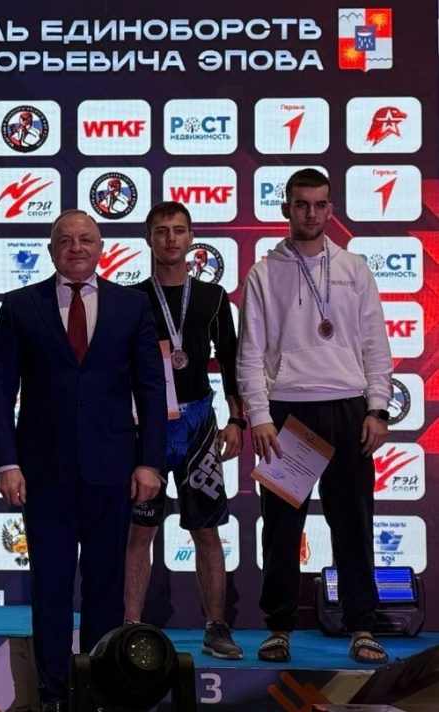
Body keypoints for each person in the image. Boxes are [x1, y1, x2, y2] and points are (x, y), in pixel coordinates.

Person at [0, 209, 167, 712]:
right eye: (65, 240)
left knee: (107, 586)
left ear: (101, 247)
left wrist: (150, 462)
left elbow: (152, 389)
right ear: (51, 250)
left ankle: (98, 690)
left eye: (86, 239)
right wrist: (6, 463)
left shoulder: (131, 306)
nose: (76, 248)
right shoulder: (20, 306)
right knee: (50, 585)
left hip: (113, 469)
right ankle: (52, 693)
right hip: (43, 472)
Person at [237, 169, 392, 665]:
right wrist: (260, 416)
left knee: (354, 524)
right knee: (282, 528)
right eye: (301, 204)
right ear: (286, 208)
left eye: (319, 204)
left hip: (347, 408)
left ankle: (362, 626)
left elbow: (375, 344)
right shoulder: (263, 273)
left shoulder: (354, 268)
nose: (310, 213)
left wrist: (378, 408)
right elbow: (250, 354)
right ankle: (279, 627)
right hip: (289, 413)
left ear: (330, 209)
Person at [123, 201, 245, 659]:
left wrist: (237, 420)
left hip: (198, 427)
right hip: (148, 428)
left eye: (178, 230)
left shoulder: (213, 297)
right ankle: (129, 628)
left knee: (207, 530)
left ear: (191, 238)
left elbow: (232, 361)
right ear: (149, 239)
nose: (171, 239)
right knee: (140, 532)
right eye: (161, 231)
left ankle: (216, 626)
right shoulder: (132, 299)